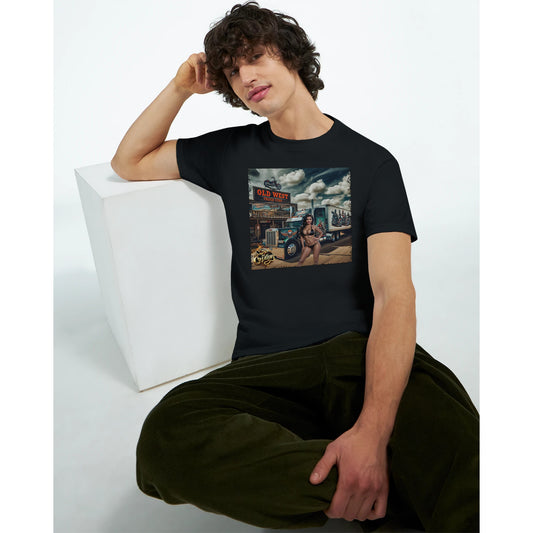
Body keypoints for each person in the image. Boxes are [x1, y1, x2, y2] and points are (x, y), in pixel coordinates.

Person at [110, 2, 479, 531]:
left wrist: (372, 430)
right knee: (166, 439)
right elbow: (130, 161)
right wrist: (179, 89)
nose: (246, 77)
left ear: (291, 56)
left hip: (358, 356)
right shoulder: (229, 152)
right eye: (232, 71)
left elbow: (395, 294)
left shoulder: (373, 162)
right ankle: (365, 486)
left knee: (472, 463)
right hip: (268, 370)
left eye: (256, 56)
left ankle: (372, 474)